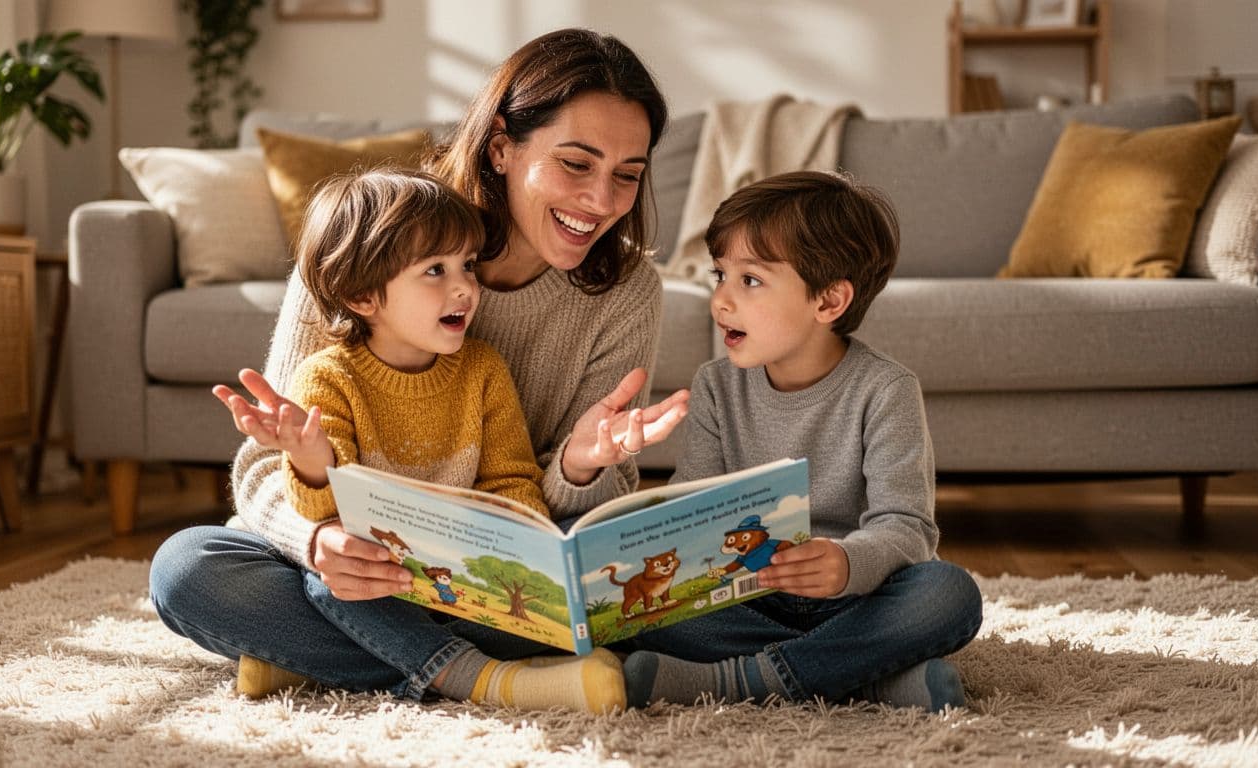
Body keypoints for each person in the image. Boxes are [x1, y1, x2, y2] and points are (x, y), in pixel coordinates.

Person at [149, 28, 689, 715]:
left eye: (628, 175)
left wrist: (581, 466)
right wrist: (318, 543)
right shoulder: (373, 236)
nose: (600, 201)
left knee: (647, 602)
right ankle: (481, 677)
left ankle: (321, 657)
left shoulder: (627, 290)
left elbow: (563, 516)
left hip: (493, 579)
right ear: (501, 147)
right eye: (576, 164)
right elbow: (267, 465)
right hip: (349, 558)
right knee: (188, 569)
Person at [621, 171, 983, 713]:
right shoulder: (716, 386)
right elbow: (693, 509)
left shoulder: (886, 391)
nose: (720, 300)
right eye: (721, 274)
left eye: (750, 281)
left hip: (853, 602)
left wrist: (843, 561)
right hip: (746, 602)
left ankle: (740, 681)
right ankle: (867, 679)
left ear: (830, 300)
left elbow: (908, 529)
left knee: (949, 594)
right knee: (636, 608)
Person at [257, 169, 549, 524]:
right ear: (362, 295)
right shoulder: (327, 379)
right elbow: (326, 512)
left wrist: (531, 541)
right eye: (435, 270)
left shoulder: (483, 369)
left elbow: (512, 483)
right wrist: (310, 457)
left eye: (468, 265)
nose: (465, 288)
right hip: (368, 565)